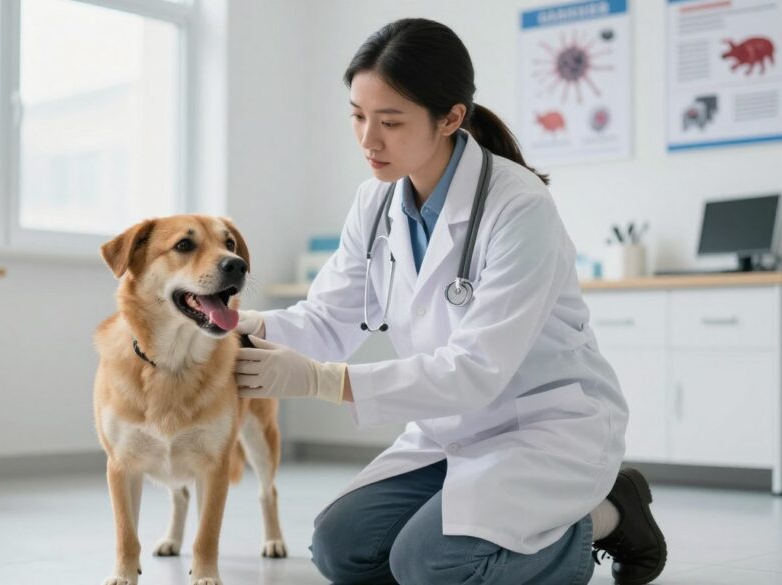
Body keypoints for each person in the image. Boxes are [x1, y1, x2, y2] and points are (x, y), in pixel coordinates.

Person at [233, 18, 666, 585]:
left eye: (390, 121)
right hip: (449, 428)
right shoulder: (375, 203)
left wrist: (321, 381)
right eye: (358, 117)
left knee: (430, 564)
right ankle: (475, 532)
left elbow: (477, 370)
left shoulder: (519, 207)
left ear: (451, 118)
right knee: (340, 550)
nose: (368, 140)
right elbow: (329, 317)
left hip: (543, 425)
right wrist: (246, 324)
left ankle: (607, 517)